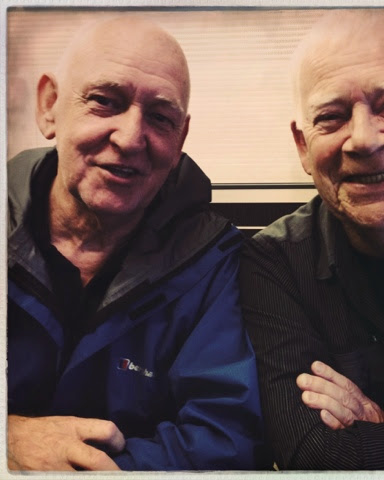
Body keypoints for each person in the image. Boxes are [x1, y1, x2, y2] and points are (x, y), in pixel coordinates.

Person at [7, 15, 265, 471]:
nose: (130, 139)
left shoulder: (212, 260)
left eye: (160, 118)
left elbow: (225, 437)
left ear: (180, 138)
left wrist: (87, 469)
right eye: (105, 101)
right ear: (50, 106)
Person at [240, 9, 384, 470]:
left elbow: (346, 456)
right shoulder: (272, 262)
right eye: (331, 117)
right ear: (303, 146)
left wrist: (383, 434)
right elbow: (314, 453)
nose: (363, 140)